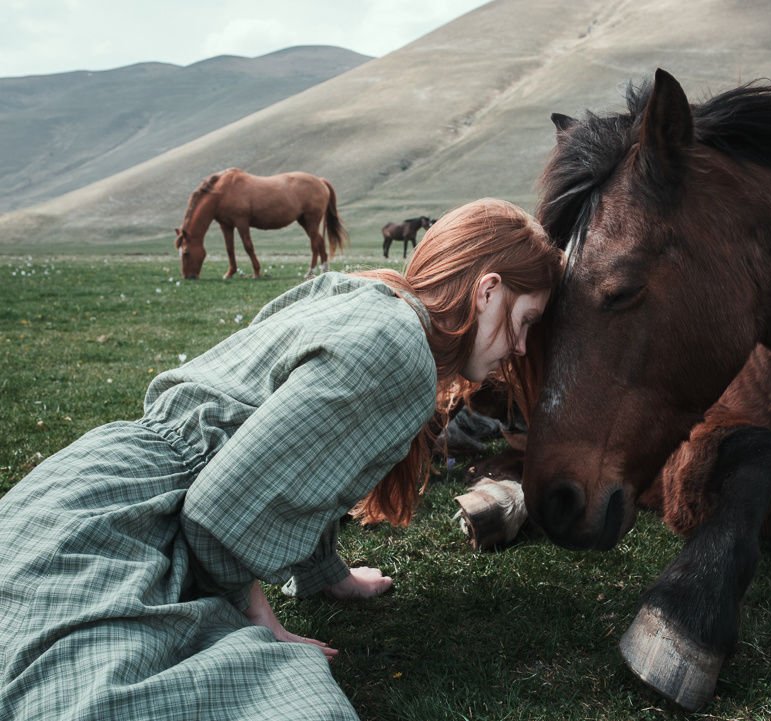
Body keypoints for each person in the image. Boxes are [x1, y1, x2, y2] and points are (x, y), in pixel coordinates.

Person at [0, 198, 564, 721]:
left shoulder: (361, 293)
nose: (519, 348)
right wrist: (261, 621)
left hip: (82, 489)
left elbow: (299, 456)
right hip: (132, 528)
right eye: (526, 322)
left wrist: (326, 575)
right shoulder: (401, 352)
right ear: (488, 291)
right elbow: (219, 514)